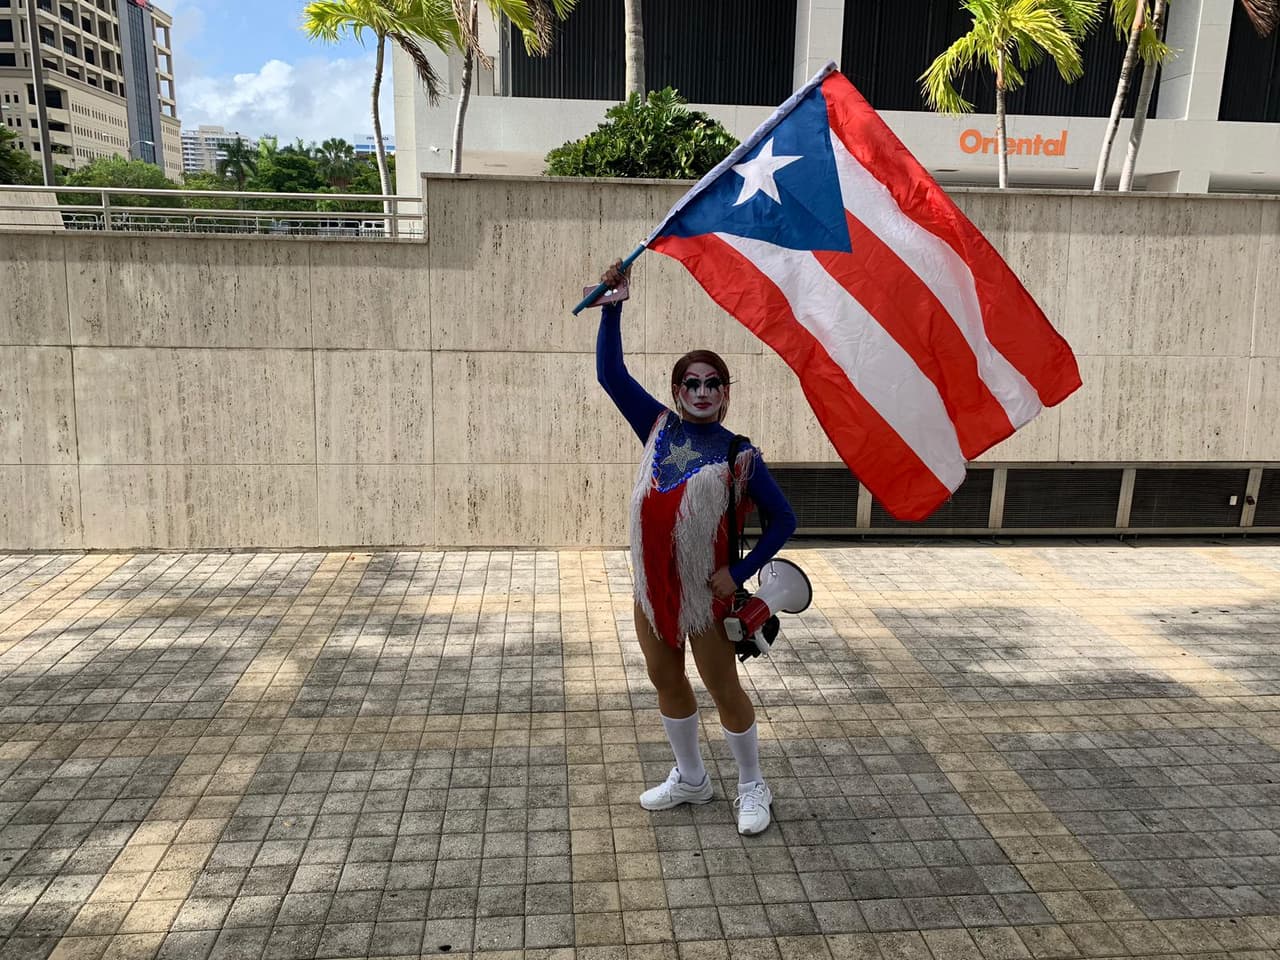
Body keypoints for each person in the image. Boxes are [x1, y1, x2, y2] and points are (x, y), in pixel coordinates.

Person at [594, 260, 798, 836]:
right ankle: (691, 778)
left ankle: (753, 785)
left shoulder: (739, 452)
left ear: (726, 395)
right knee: (666, 680)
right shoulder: (656, 427)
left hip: (707, 595)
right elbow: (611, 375)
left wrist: (740, 572)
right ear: (678, 391)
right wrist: (614, 307)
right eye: (693, 382)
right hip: (652, 588)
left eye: (714, 383)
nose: (703, 391)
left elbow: (785, 519)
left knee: (723, 688)